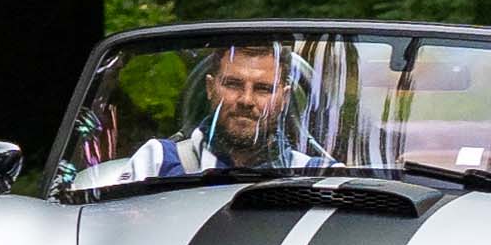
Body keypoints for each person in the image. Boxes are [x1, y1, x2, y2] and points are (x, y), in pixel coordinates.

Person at [117, 44, 335, 180]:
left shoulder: (321, 175)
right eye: (233, 84)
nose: (246, 100)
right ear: (210, 88)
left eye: (262, 89)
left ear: (284, 98)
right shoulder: (157, 162)